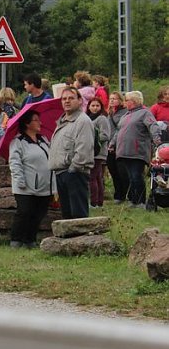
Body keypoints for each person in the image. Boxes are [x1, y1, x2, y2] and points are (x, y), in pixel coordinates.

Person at [7, 109, 53, 248]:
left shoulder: (43, 139)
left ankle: (30, 239)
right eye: (36, 120)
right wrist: (19, 180)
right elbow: (15, 162)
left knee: (39, 213)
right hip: (25, 186)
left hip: (45, 185)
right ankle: (16, 239)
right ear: (27, 123)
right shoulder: (18, 141)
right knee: (24, 212)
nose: (40, 122)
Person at [110, 91, 162, 208]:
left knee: (136, 176)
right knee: (130, 177)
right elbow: (119, 132)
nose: (124, 103)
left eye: (126, 100)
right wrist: (112, 143)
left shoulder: (145, 113)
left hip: (137, 151)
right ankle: (134, 200)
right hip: (124, 151)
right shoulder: (125, 115)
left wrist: (157, 138)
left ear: (134, 101)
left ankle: (140, 201)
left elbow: (153, 125)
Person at [48, 87, 94, 219]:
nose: (67, 101)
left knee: (77, 214)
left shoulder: (82, 121)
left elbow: (83, 149)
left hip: (74, 173)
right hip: (60, 173)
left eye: (71, 98)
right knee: (67, 215)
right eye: (64, 99)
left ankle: (81, 240)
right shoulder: (62, 122)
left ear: (80, 101)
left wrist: (73, 169)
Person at [87, 98, 111, 208]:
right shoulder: (88, 118)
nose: (95, 108)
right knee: (97, 177)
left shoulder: (102, 119)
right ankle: (99, 202)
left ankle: (94, 202)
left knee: (92, 177)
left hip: (98, 152)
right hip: (92, 152)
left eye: (97, 105)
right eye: (93, 105)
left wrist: (92, 140)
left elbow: (105, 135)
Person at [106, 91, 130, 203]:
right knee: (113, 171)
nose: (112, 100)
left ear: (120, 100)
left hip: (120, 146)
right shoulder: (109, 113)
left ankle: (124, 194)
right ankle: (118, 194)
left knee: (122, 172)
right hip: (109, 147)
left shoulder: (124, 113)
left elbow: (120, 130)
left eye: (114, 98)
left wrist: (113, 143)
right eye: (110, 98)